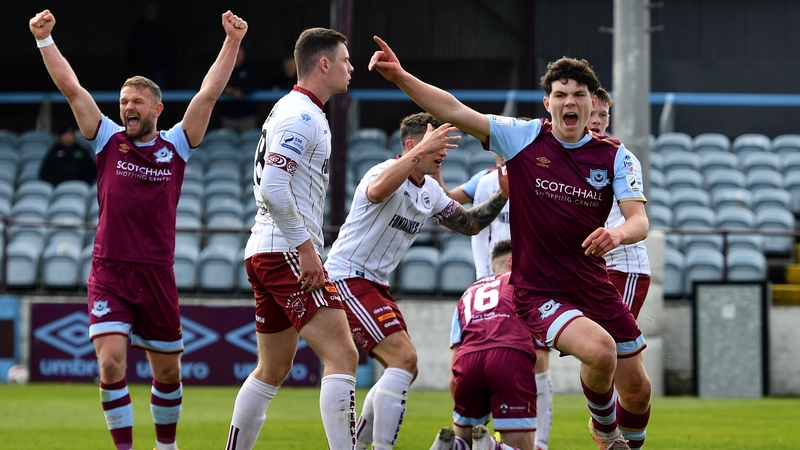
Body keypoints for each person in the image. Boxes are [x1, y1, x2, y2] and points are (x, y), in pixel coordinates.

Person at [369, 37, 651, 450]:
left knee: (638, 390)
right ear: (548, 103)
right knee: (601, 351)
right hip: (540, 291)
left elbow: (639, 221)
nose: (569, 102)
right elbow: (454, 110)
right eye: (560, 95)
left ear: (593, 103)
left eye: (578, 95)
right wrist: (400, 76)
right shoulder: (523, 137)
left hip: (593, 284)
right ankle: (607, 436)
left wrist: (618, 233)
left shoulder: (616, 156)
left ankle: (625, 441)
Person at [29, 8, 247, 450]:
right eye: (124, 101)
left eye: (137, 102)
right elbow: (72, 88)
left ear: (156, 109)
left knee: (168, 373)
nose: (128, 107)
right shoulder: (107, 138)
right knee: (111, 364)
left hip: (156, 275)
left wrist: (232, 41)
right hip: (110, 270)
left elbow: (208, 93)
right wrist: (44, 40)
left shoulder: (177, 144)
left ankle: (166, 446)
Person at [324, 111, 509, 450]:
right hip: (346, 276)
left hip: (375, 283)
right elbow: (377, 191)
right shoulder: (383, 171)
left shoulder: (432, 192)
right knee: (404, 360)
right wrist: (419, 151)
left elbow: (469, 224)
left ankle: (360, 443)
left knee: (406, 367)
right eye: (436, 144)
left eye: (444, 146)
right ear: (412, 146)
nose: (443, 152)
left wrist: (503, 194)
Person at [226, 28, 358, 450]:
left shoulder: (294, 109)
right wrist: (305, 248)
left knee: (273, 367)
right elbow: (273, 186)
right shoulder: (301, 115)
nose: (351, 67)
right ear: (324, 64)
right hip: (284, 249)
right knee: (343, 354)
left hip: (265, 248)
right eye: (345, 60)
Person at [470, 157, 554, 450]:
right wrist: (482, 276)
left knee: (539, 360)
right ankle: (482, 433)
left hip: (536, 282)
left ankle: (540, 443)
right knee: (491, 353)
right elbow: (479, 232)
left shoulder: (545, 177)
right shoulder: (486, 182)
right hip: (497, 279)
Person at [430, 239, 537, 450]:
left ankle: (452, 446)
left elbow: (454, 362)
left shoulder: (467, 294)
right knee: (522, 445)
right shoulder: (524, 282)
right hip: (509, 357)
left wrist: (460, 405)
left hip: (468, 361)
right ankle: (491, 447)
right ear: (512, 260)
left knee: (466, 437)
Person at [591, 87, 651, 319]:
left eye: (602, 115)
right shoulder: (563, 158)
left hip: (620, 267)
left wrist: (615, 235)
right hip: (585, 269)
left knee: (608, 339)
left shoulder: (621, 158)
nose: (596, 121)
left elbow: (639, 222)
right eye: (591, 114)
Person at [126, 3, 171, 87]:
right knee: (139, 89)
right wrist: (132, 63)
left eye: (151, 10)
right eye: (147, 10)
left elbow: (166, 47)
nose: (149, 13)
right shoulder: (137, 29)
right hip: (140, 66)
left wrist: (164, 64)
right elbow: (132, 47)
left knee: (156, 90)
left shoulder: (161, 29)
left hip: (157, 67)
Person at [220, 46, 260, 133]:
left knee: (248, 138)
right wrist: (226, 90)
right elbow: (216, 84)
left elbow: (255, 85)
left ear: (243, 56)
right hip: (229, 114)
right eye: (234, 54)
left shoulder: (250, 69)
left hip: (247, 114)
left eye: (238, 55)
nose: (236, 57)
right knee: (227, 139)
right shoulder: (224, 69)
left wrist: (242, 91)